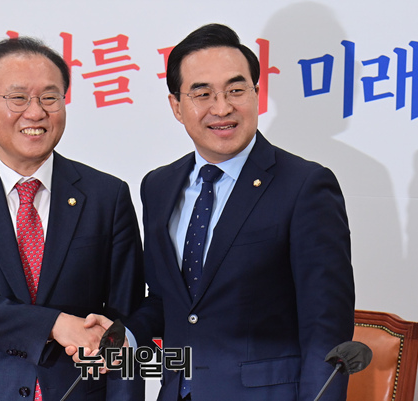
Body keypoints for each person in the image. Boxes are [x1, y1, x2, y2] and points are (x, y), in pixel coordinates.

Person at [82, 23, 355, 400]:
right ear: (177, 107)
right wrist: (125, 334)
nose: (222, 108)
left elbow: (325, 327)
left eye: (236, 90)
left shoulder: (305, 185)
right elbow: (169, 301)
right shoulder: (158, 186)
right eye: (203, 94)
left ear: (256, 94)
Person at [0, 37, 145, 401]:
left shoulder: (107, 196)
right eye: (18, 98)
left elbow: (125, 321)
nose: (36, 113)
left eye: (50, 98)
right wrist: (55, 324)